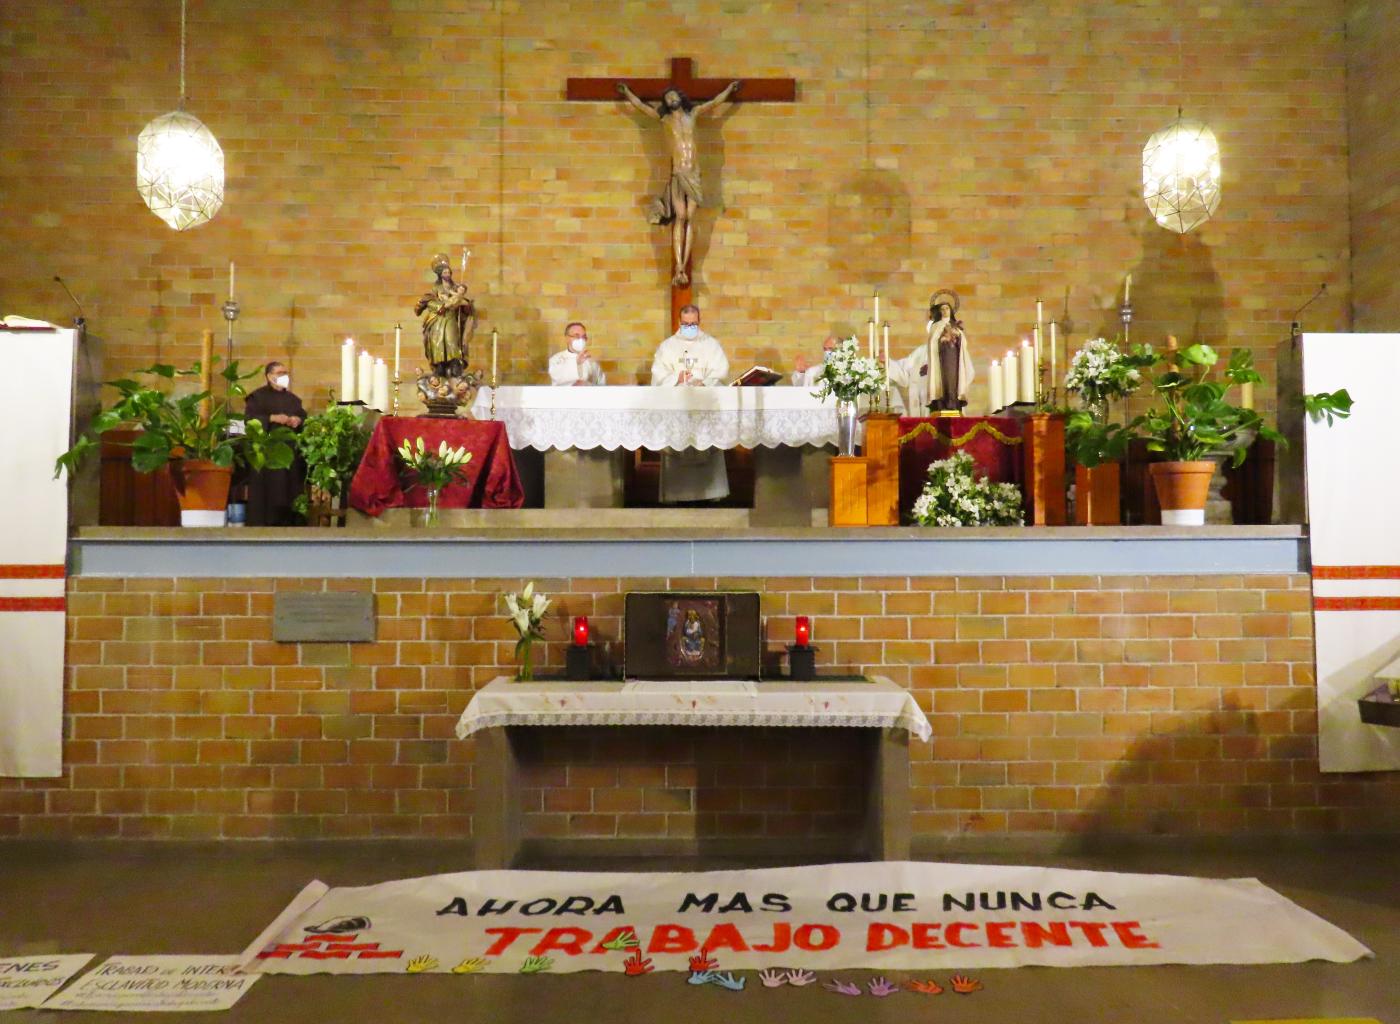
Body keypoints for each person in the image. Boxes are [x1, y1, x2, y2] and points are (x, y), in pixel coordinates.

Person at [616, 80, 741, 285]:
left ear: (680, 98)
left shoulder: (693, 115)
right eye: (667, 97)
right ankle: (679, 267)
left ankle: (684, 265)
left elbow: (715, 103)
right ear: (665, 102)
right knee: (680, 217)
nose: (671, 99)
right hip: (678, 173)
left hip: (694, 173)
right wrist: (627, 93)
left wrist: (729, 90)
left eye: (674, 95)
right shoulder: (664, 119)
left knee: (690, 217)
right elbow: (641, 106)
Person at [650, 304, 730, 502]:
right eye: (686, 324)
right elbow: (658, 374)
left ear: (699, 322)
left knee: (707, 445)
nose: (690, 327)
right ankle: (676, 496)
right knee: (678, 445)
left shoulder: (711, 345)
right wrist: (676, 378)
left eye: (693, 324)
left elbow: (721, 372)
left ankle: (712, 494)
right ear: (679, 322)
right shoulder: (667, 346)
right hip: (677, 407)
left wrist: (704, 382)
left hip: (705, 406)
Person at [887, 293, 974, 413]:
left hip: (952, 403)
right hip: (926, 409)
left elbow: (968, 372)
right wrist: (885, 363)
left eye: (946, 309)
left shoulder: (958, 352)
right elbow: (903, 372)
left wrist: (951, 379)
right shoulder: (921, 352)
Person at [243, 361, 305, 526]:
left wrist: (297, 420)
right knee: (266, 495)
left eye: (286, 373)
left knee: (289, 492)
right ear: (269, 376)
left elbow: (303, 417)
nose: (284, 376)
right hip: (266, 454)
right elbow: (249, 420)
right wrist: (272, 418)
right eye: (280, 373)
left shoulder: (293, 400)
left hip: (289, 455)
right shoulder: (257, 397)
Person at [413, 254, 475, 376]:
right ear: (440, 274)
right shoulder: (435, 289)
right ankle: (439, 366)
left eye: (448, 272)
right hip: (438, 320)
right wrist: (441, 306)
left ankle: (455, 367)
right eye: (445, 272)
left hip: (451, 319)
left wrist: (464, 304)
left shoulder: (456, 288)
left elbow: (466, 306)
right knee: (438, 343)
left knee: (452, 341)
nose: (447, 274)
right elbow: (426, 302)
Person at [548, 322, 607, 386]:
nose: (581, 340)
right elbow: (558, 379)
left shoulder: (591, 361)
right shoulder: (556, 359)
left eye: (584, 337)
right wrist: (576, 364)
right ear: (567, 338)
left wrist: (588, 385)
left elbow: (600, 383)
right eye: (576, 336)